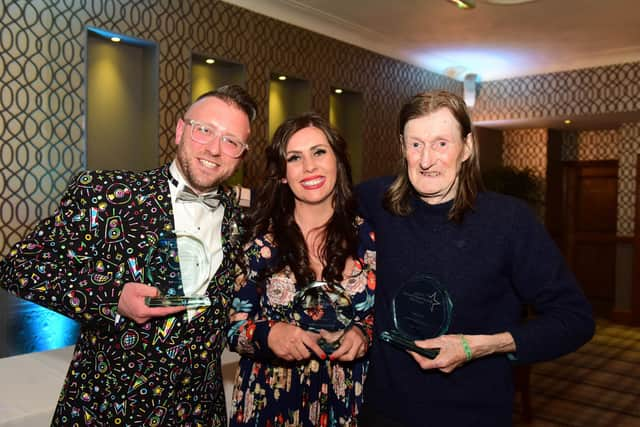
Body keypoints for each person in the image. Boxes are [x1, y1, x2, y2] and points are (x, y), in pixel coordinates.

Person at [0, 84, 257, 426]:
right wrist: (113, 296)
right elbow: (20, 265)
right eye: (204, 130)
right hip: (107, 410)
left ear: (242, 153)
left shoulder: (241, 221)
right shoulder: (107, 194)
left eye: (231, 140)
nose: (214, 148)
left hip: (197, 413)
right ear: (181, 130)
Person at [356, 90, 595, 427]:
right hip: (383, 412)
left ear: (466, 147)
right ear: (402, 146)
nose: (426, 160)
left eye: (441, 143)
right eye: (415, 144)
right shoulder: (373, 202)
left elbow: (574, 320)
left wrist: (479, 346)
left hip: (473, 413)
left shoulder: (509, 221)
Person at [227, 112, 376, 427]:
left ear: (337, 160)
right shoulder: (259, 241)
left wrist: (363, 335)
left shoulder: (370, 237)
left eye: (319, 152)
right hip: (271, 405)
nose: (309, 167)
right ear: (282, 173)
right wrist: (269, 335)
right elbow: (232, 328)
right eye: (295, 158)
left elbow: (383, 318)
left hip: (350, 406)